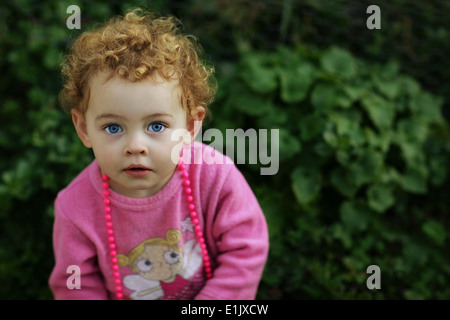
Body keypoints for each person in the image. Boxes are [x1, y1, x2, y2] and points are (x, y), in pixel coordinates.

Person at [48, 8, 269, 300]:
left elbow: (246, 248)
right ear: (83, 127)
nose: (136, 145)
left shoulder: (215, 176)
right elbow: (75, 284)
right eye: (113, 127)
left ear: (190, 126)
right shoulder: (75, 208)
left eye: (156, 125)